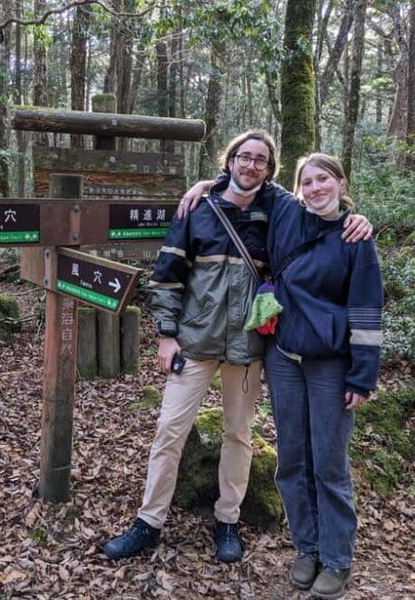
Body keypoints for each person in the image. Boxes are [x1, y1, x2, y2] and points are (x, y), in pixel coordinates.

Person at [102, 131, 372, 564]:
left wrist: (357, 219)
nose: (250, 166)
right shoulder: (198, 208)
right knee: (169, 431)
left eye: (260, 160)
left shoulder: (276, 210)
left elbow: (319, 200)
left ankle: (227, 521)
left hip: (247, 348)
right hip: (194, 342)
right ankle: (147, 523)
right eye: (243, 157)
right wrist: (167, 334)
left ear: (269, 170)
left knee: (239, 435)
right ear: (229, 160)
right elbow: (166, 275)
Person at [180, 152, 382, 598]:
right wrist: (205, 186)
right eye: (307, 181)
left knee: (328, 463)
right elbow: (245, 177)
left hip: (331, 363)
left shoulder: (355, 237)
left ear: (341, 184)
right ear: (298, 188)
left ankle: (336, 558)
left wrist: (362, 376)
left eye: (323, 180)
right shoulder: (287, 212)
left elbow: (367, 311)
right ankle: (306, 548)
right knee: (292, 460)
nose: (315, 188)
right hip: (284, 357)